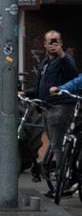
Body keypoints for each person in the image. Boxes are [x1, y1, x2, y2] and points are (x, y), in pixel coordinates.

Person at [25, 31, 78, 194]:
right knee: (55, 144)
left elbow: (73, 74)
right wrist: (25, 93)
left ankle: (64, 182)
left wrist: (62, 54)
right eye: (50, 42)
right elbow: (41, 86)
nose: (53, 45)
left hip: (60, 107)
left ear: (61, 43)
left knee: (57, 145)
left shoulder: (65, 59)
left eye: (56, 42)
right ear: (44, 44)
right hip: (47, 107)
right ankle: (63, 179)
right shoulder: (45, 63)